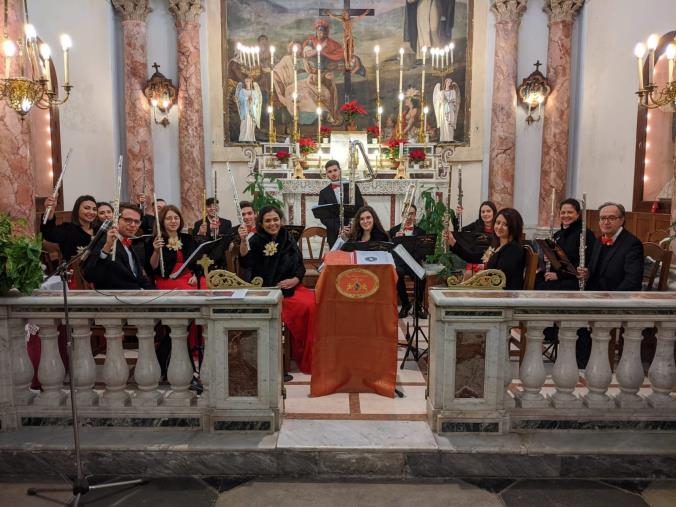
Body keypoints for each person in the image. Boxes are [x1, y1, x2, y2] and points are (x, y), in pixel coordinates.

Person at [239, 206, 317, 374]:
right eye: (268, 221)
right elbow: (246, 262)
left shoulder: (287, 236)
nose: (272, 223)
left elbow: (300, 265)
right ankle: (299, 351)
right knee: (307, 307)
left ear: (281, 221)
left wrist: (295, 280)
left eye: (275, 220)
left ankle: (307, 352)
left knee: (314, 303)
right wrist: (243, 241)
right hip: (270, 291)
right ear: (261, 223)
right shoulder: (256, 240)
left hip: (292, 286)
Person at [444, 207, 525, 290]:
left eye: (505, 224)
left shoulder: (513, 249)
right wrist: (453, 242)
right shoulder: (497, 245)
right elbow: (473, 257)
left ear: (514, 227)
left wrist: (474, 281)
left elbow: (499, 277)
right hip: (493, 289)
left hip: (504, 295)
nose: (499, 227)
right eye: (498, 223)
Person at [82, 203, 154, 290]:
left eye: (137, 222)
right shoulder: (102, 241)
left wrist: (157, 294)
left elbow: (138, 278)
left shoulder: (130, 243)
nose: (133, 225)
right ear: (115, 220)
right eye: (128, 220)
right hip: (115, 299)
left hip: (136, 296)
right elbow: (90, 276)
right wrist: (107, 247)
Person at [578, 202, 643, 291]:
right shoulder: (598, 240)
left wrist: (611, 299)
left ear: (622, 220)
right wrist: (587, 274)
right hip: (594, 293)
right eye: (602, 218)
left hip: (616, 298)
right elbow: (594, 270)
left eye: (611, 218)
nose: (606, 222)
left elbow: (632, 282)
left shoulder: (633, 245)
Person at [537, 198, 597, 291]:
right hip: (558, 276)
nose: (566, 215)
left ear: (577, 214)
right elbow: (557, 260)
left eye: (570, 212)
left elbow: (586, 262)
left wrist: (558, 275)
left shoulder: (585, 234)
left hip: (574, 280)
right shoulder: (557, 234)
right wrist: (549, 257)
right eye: (563, 212)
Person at [148, 205, 201, 289]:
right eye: (168, 218)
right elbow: (152, 267)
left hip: (189, 276)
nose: (173, 221)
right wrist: (156, 251)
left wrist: (196, 276)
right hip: (168, 278)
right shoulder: (156, 240)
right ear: (162, 221)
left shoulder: (187, 238)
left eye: (176, 218)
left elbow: (196, 261)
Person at [389, 204, 427, 318]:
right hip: (399, 263)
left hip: (414, 263)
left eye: (412, 213)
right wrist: (395, 240)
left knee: (422, 275)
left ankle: (418, 306)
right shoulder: (393, 230)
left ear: (415, 216)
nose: (409, 216)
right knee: (397, 273)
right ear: (402, 214)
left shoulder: (421, 232)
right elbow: (389, 250)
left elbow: (423, 253)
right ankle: (405, 305)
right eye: (407, 213)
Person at [317, 159, 365, 247]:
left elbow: (361, 208)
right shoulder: (323, 193)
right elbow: (323, 217)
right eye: (330, 171)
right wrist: (338, 228)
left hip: (353, 231)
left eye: (335, 170)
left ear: (340, 171)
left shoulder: (352, 187)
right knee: (336, 260)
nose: (333, 173)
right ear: (327, 174)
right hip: (334, 234)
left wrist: (353, 226)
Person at [41, 194, 99, 262]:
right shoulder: (67, 229)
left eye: (94, 209)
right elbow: (48, 234)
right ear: (77, 210)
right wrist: (50, 211)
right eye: (86, 208)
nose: (91, 212)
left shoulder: (99, 230)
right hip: (74, 270)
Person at [192, 198, 234, 269]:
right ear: (205, 209)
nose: (212, 208)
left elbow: (228, 241)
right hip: (204, 259)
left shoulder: (227, 223)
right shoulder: (199, 224)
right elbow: (194, 244)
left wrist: (216, 233)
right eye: (209, 206)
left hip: (222, 261)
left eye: (214, 206)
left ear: (218, 208)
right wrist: (200, 233)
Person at [433, 77, 460, 142]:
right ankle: (443, 138)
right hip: (443, 109)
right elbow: (439, 102)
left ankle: (450, 138)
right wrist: (442, 99)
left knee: (449, 123)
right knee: (444, 122)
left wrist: (449, 101)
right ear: (445, 83)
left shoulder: (453, 92)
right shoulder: (441, 92)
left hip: (450, 108)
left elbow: (454, 101)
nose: (449, 83)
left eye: (450, 82)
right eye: (448, 82)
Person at [236, 77, 262, 142]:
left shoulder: (254, 92)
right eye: (246, 81)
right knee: (244, 123)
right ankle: (243, 138)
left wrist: (252, 100)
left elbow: (257, 102)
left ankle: (251, 138)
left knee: (251, 124)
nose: (247, 82)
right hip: (245, 111)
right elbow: (240, 100)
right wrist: (247, 98)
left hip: (252, 111)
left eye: (248, 81)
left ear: (251, 82)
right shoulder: (242, 91)